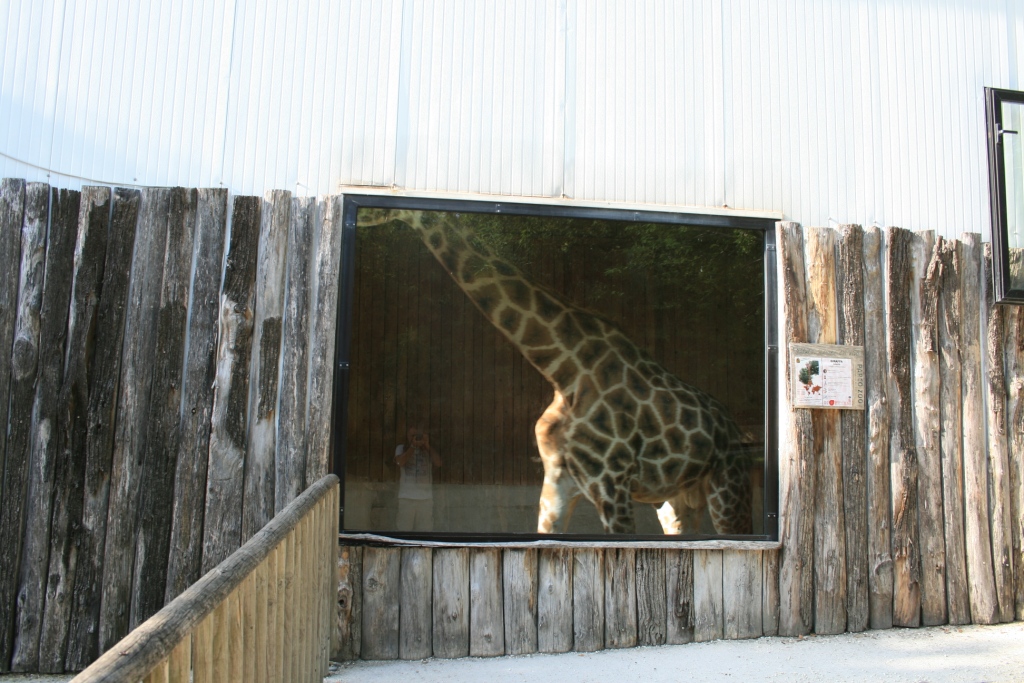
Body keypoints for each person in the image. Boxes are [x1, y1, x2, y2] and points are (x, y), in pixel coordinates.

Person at [394, 425, 442, 531]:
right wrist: (412, 447)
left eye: (418, 436)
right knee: (403, 531)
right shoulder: (401, 448)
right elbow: (399, 462)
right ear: (407, 436)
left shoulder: (428, 449)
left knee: (425, 532)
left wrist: (427, 446)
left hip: (425, 498)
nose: (416, 438)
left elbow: (438, 463)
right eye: (413, 436)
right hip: (406, 497)